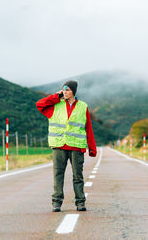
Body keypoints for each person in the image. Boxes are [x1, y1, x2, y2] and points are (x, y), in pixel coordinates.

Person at [36, 80, 97, 212]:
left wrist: (92, 148)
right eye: (63, 89)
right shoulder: (55, 105)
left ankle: (80, 202)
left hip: (76, 147)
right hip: (59, 146)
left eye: (67, 89)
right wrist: (55, 96)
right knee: (58, 175)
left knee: (78, 176)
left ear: (73, 91)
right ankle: (56, 203)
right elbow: (39, 104)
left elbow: (88, 128)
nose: (65, 91)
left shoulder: (83, 107)